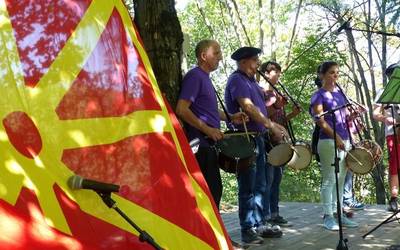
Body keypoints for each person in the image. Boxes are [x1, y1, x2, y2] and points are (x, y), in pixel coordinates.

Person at [176, 40, 247, 249]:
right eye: (216, 52)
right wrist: (207, 130)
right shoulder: (195, 76)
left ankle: (215, 237)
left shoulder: (204, 78)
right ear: (202, 56)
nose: (220, 56)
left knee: (213, 191)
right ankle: (210, 239)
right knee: (210, 191)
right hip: (200, 143)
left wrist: (230, 117)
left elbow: (207, 110)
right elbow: (181, 109)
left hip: (208, 143)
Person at [224, 47, 287, 244]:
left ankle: (260, 224)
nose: (258, 64)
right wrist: (270, 125)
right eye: (254, 60)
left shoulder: (251, 81)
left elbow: (261, 110)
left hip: (258, 137)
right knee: (248, 186)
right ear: (243, 61)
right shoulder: (237, 80)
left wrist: (274, 125)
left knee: (260, 184)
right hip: (245, 139)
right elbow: (249, 108)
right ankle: (247, 229)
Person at [309, 61, 359, 231]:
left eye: (337, 73)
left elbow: (344, 119)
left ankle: (339, 214)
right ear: (322, 75)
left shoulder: (340, 94)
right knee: (329, 179)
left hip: (344, 140)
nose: (335, 76)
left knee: (341, 179)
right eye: (331, 72)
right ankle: (328, 216)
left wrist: (353, 116)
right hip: (328, 141)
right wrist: (336, 137)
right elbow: (321, 121)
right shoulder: (318, 95)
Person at [258, 61, 300, 227]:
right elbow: (262, 116)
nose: (279, 76)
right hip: (268, 140)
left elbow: (279, 120)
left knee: (276, 179)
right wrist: (276, 104)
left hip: (279, 140)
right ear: (267, 73)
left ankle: (275, 213)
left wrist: (291, 114)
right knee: (267, 179)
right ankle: (265, 215)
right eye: (277, 73)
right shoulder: (261, 93)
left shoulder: (276, 93)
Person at [372, 63, 400, 212]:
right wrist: (387, 119)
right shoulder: (383, 91)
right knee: (395, 166)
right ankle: (394, 198)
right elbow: (375, 114)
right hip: (393, 132)